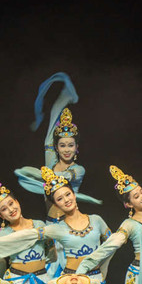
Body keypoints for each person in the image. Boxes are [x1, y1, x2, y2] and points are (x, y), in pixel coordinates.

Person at [14, 73, 102, 224]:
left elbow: (59, 178)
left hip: (70, 223)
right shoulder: (51, 164)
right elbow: (48, 138)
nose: (66, 150)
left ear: (76, 147)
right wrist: (63, 100)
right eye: (62, 145)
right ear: (57, 148)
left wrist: (32, 173)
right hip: (50, 222)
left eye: (70, 145)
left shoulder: (78, 170)